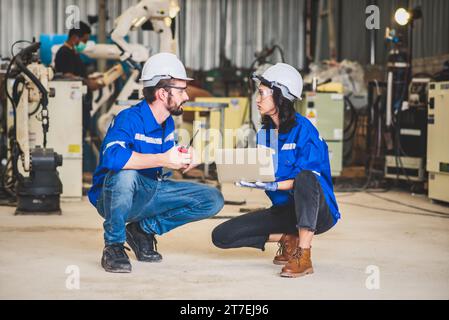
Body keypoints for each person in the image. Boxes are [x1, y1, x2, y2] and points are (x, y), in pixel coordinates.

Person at [88, 52, 224, 273]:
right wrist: (164, 159)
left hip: (150, 190)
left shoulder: (167, 123)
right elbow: (113, 158)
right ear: (162, 93)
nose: (187, 96)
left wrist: (182, 157)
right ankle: (113, 245)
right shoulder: (128, 119)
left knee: (213, 199)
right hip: (113, 196)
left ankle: (142, 230)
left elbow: (166, 157)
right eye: (181, 90)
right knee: (126, 172)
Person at [211, 63, 341, 278]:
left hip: (317, 212)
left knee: (305, 177)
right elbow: (265, 169)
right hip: (286, 211)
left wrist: (273, 184)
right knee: (222, 236)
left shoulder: (304, 130)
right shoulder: (265, 134)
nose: (257, 99)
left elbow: (308, 181)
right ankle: (288, 238)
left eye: (262, 93)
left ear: (280, 96)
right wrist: (246, 175)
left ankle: (304, 254)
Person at [54, 21, 103, 135]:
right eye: (84, 41)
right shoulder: (64, 53)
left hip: (81, 105)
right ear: (75, 37)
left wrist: (92, 79)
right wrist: (88, 83)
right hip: (73, 107)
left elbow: (77, 74)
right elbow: (66, 76)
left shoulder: (73, 53)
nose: (84, 44)